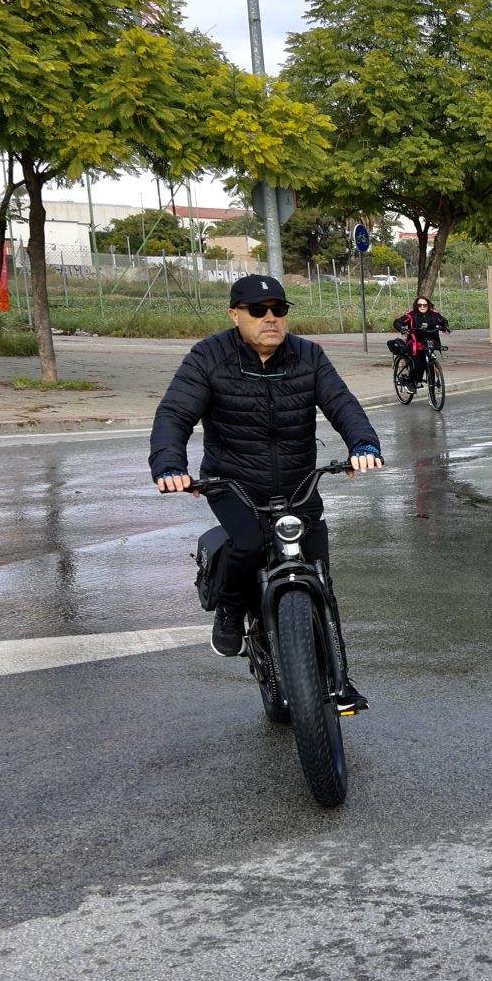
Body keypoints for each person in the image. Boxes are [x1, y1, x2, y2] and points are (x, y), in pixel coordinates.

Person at [150, 275, 383, 702]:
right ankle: (230, 609)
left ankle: (338, 679)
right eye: (258, 311)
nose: (270, 318)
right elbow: (175, 414)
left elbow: (342, 404)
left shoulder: (309, 355)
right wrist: (170, 466)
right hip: (233, 483)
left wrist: (363, 445)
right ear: (234, 314)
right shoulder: (208, 356)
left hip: (297, 483)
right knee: (249, 543)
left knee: (320, 575)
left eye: (279, 309)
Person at [390, 295, 451, 379]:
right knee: (419, 365)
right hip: (415, 343)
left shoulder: (435, 315)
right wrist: (402, 328)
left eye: (424, 305)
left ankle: (432, 385)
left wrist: (445, 328)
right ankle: (411, 382)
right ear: (416, 305)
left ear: (428, 305)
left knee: (430, 362)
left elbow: (443, 321)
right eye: (420, 305)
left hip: (430, 342)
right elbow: (397, 322)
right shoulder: (411, 315)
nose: (422, 307)